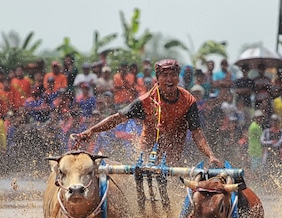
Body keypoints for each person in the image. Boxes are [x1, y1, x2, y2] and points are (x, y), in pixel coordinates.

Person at [73, 58, 221, 167]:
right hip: (147, 150)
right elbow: (117, 119)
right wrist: (91, 131)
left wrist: (211, 155)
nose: (169, 79)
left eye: (173, 75)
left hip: (174, 152)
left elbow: (197, 133)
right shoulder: (145, 101)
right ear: (157, 79)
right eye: (165, 75)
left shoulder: (189, 100)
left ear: (178, 78)